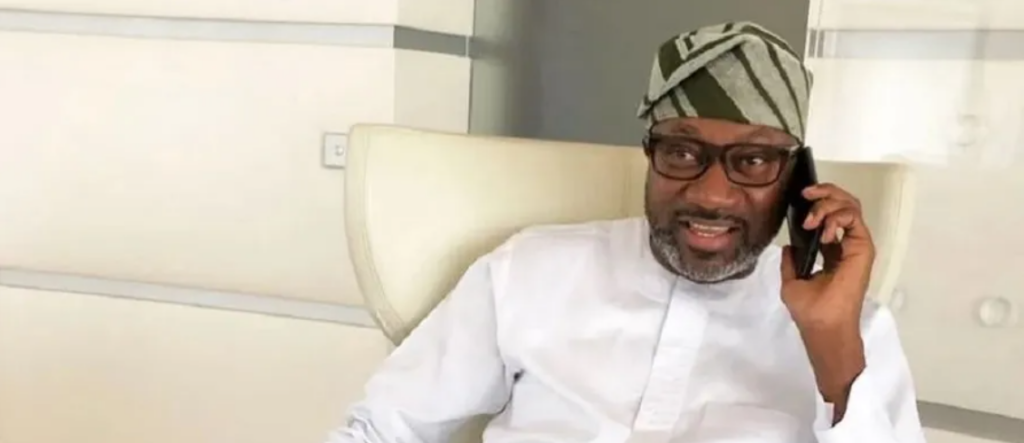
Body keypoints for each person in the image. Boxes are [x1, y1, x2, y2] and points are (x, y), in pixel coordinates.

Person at [328, 21, 926, 443]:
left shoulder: (853, 329)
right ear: (649, 152)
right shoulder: (529, 270)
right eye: (683, 152)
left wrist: (835, 355)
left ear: (796, 178)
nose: (712, 194)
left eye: (752, 161)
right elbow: (380, 428)